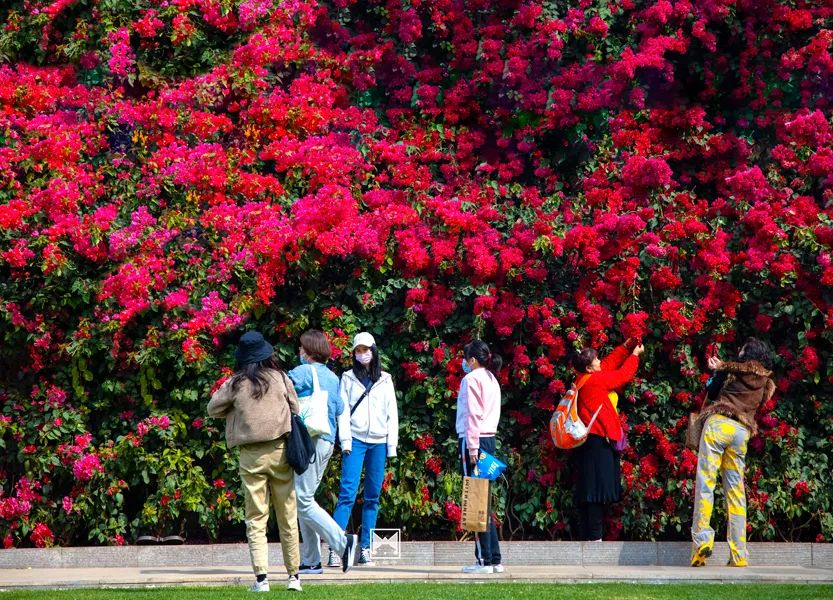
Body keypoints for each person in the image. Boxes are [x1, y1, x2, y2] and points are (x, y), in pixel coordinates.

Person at [207, 331, 302, 592]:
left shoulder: (236, 383)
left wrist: (235, 408)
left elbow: (212, 408)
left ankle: (262, 579)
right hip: (281, 451)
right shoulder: (281, 378)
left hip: (250, 455)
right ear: (266, 353)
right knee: (287, 515)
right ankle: (294, 576)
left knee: (256, 518)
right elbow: (296, 408)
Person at [691, 338, 775, 568]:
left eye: (742, 348)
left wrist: (718, 370)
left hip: (719, 424)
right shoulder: (766, 383)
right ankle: (739, 555)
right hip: (741, 433)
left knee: (706, 483)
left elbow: (712, 390)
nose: (738, 350)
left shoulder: (732, 370)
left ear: (747, 354)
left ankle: (701, 544)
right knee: (736, 493)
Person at [287, 331, 358, 574]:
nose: (299, 352)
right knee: (304, 497)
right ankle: (311, 561)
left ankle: (342, 542)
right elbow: (338, 407)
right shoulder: (332, 377)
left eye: (301, 348)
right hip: (327, 440)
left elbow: (282, 391)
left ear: (307, 351)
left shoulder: (303, 372)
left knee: (302, 498)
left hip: (310, 440)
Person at [330, 332, 398, 567]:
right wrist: (346, 442)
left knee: (372, 497)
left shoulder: (385, 379)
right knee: (347, 494)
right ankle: (335, 547)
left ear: (373, 350)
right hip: (355, 441)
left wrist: (392, 447)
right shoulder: (347, 378)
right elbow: (343, 412)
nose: (362, 354)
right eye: (357, 350)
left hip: (378, 442)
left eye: (365, 349)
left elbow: (392, 414)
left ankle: (366, 549)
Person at [571, 339, 644, 541]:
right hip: (597, 441)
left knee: (589, 489)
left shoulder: (584, 378)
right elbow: (621, 376)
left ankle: (588, 537)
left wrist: (626, 346)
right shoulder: (595, 381)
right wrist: (635, 356)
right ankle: (595, 539)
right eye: (596, 360)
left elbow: (609, 364)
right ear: (589, 367)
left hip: (588, 443)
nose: (600, 360)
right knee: (595, 492)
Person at [457, 340, 504, 574]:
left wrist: (473, 448)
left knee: (476, 500)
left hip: (475, 441)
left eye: (466, 358)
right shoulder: (492, 379)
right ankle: (494, 558)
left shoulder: (471, 379)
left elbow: (473, 415)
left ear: (473, 360)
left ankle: (483, 560)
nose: (465, 363)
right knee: (484, 500)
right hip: (489, 439)